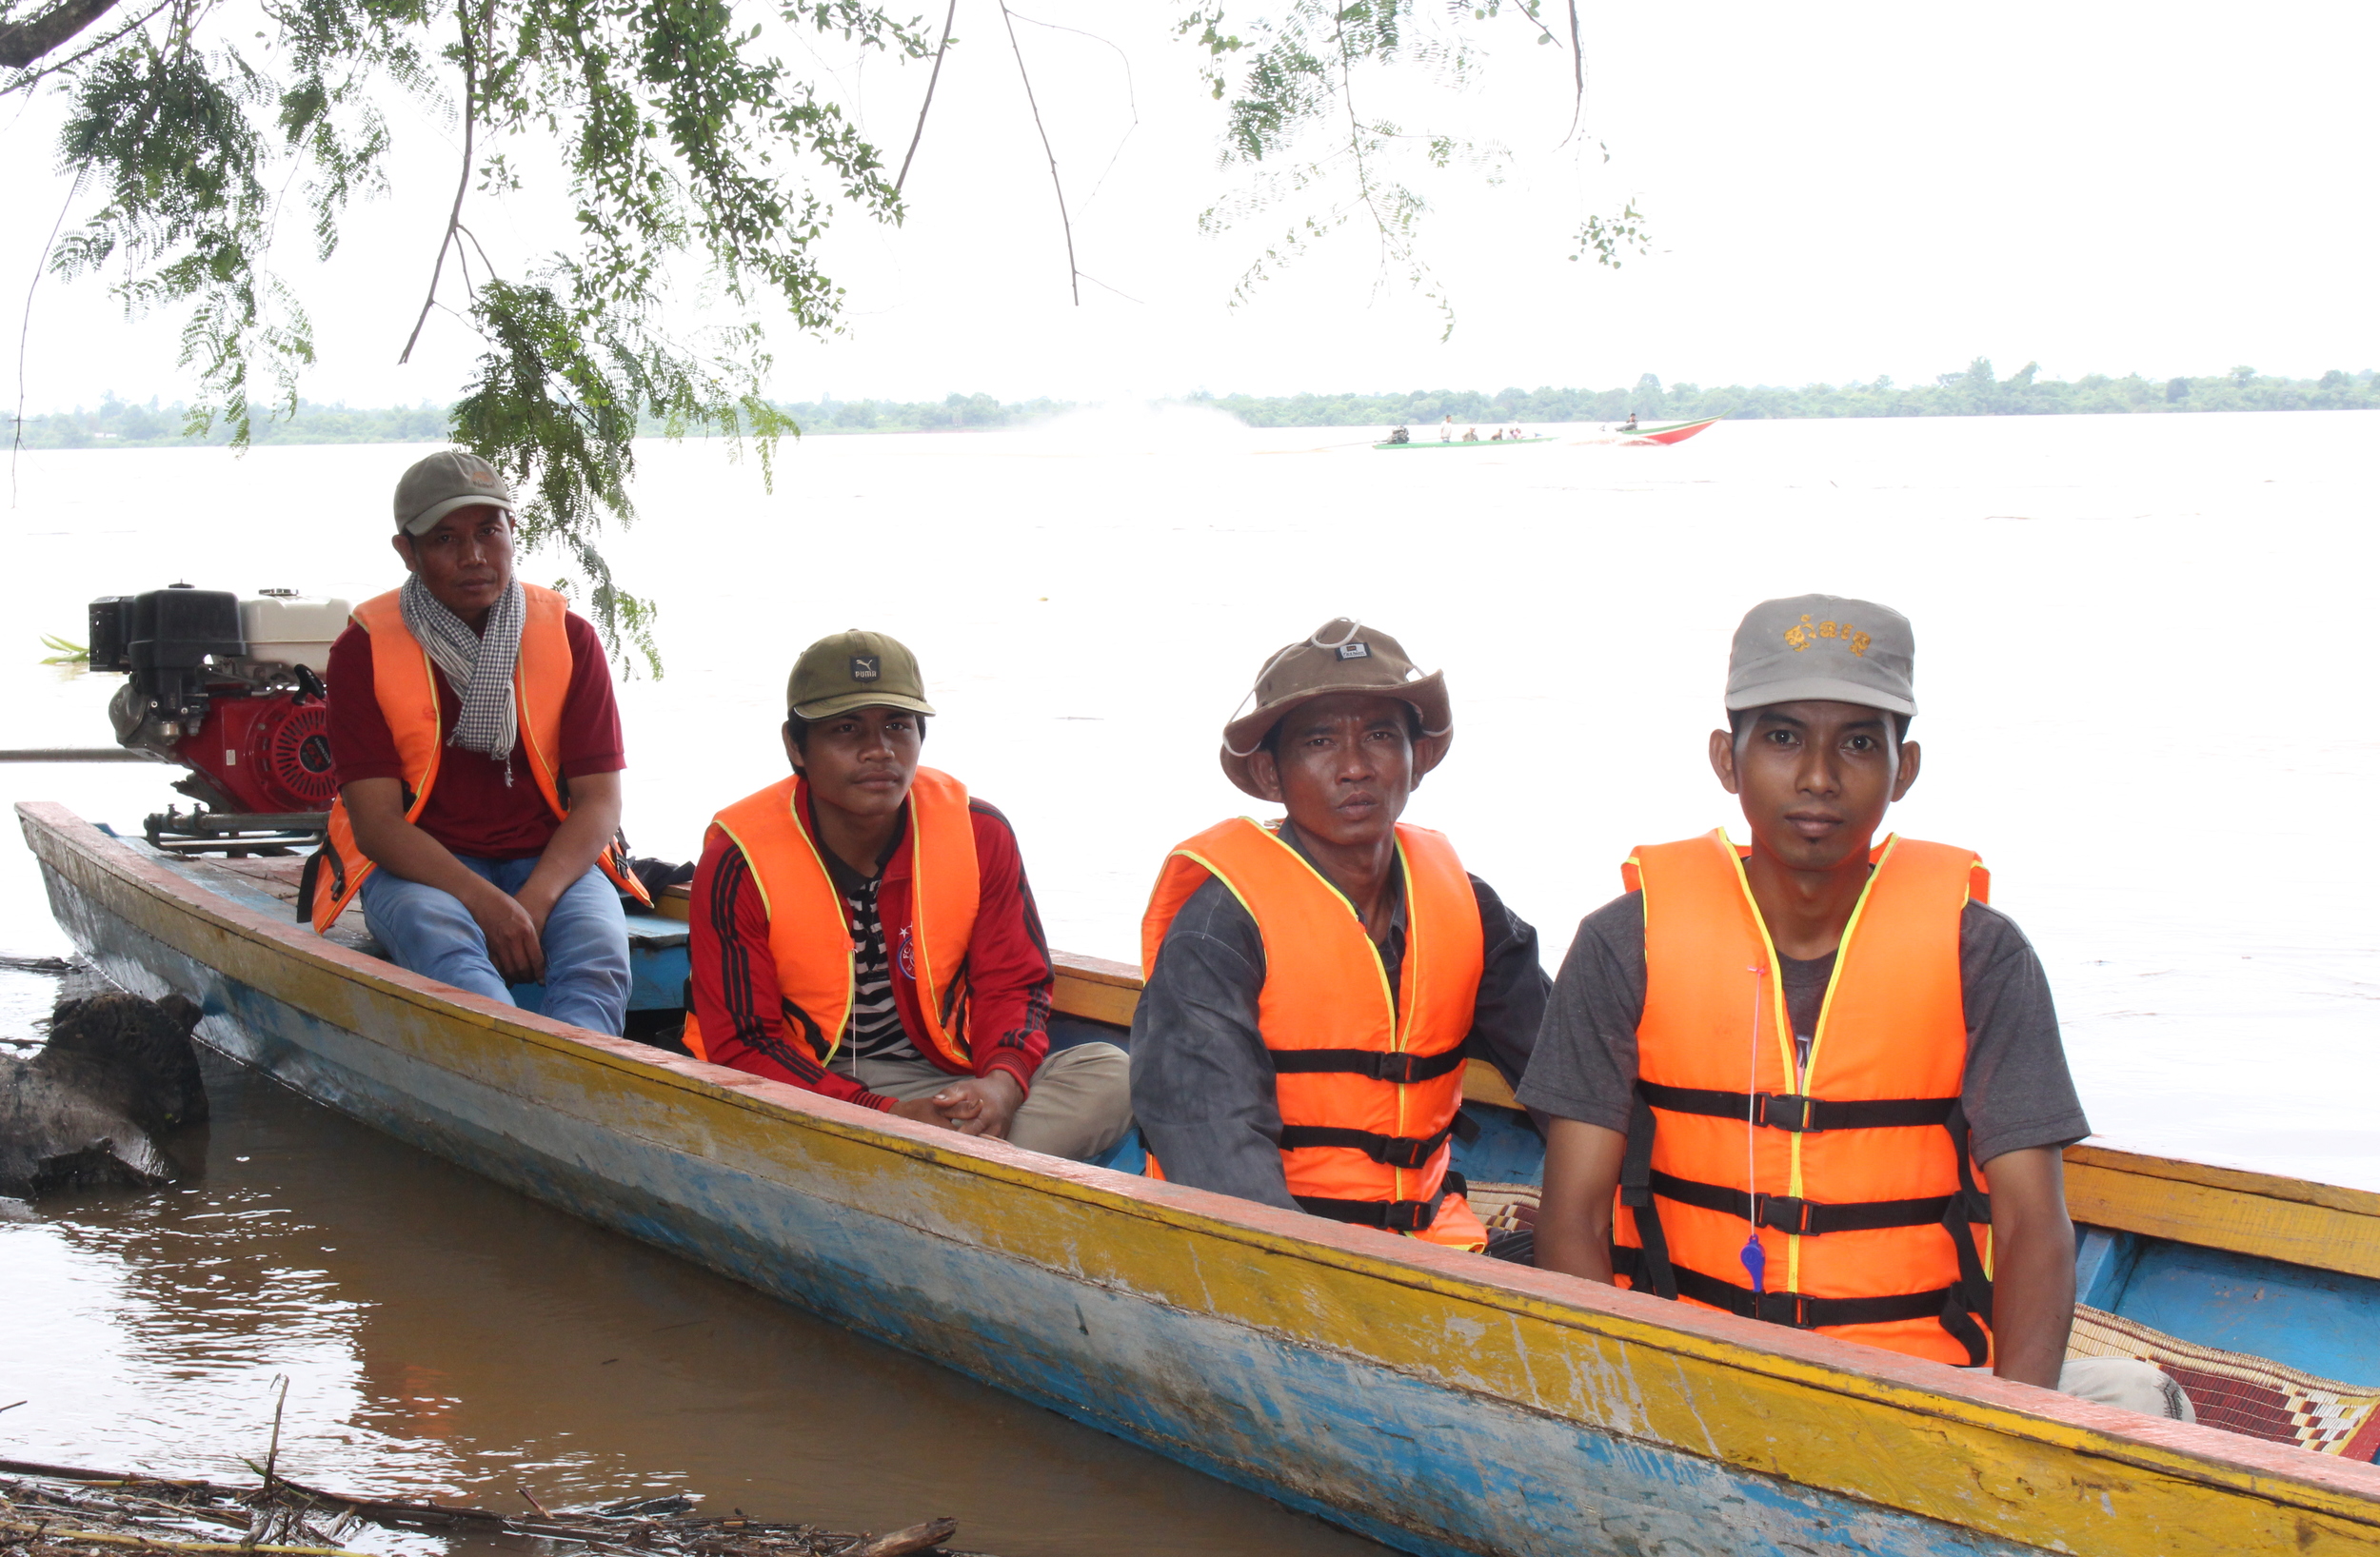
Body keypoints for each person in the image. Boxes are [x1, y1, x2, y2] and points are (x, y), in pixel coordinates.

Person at [1523, 596, 2191, 1418]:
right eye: (1782, 737)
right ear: (1726, 759)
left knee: (2140, 1398)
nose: (1818, 777)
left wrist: (2016, 1440)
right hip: (1693, 1375)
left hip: (1925, 1390)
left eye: (1859, 743)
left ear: (1902, 770)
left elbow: (2032, 1226)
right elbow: (1574, 1217)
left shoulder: (1981, 953)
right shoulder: (1626, 943)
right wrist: (1629, 1417)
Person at [1132, 621, 1550, 1255]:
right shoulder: (1220, 926)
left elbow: (1560, 1072)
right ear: (1271, 774)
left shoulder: (1466, 904)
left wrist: (1601, 1213)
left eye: (1381, 735)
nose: (1355, 766)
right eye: (1321, 740)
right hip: (1282, 1255)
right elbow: (1218, 1155)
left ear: (1419, 758)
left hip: (1435, 1236)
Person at [684, 630, 1133, 1160]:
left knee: (1116, 1071)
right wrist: (885, 1116)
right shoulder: (739, 859)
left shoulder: (977, 831)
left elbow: (1012, 983)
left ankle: (935, 1169)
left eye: (897, 726)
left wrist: (1000, 1087)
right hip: (808, 1084)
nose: (879, 750)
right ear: (795, 746)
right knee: (774, 1117)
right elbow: (745, 1045)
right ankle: (958, 1169)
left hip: (942, 1077)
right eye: (847, 729)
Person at [309, 451, 648, 1034]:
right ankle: (520, 1092)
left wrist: (535, 901)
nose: (473, 557)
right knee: (454, 967)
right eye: (444, 538)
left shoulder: (570, 638)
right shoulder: (362, 651)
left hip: (550, 862)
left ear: (513, 532)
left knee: (598, 958)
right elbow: (377, 826)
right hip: (423, 871)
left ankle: (575, 1094)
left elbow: (599, 801)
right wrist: (489, 907)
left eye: (489, 531)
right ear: (406, 551)